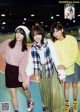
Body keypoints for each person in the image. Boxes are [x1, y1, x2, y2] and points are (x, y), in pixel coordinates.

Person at [25, 23, 67, 112]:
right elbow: (31, 63)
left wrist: (62, 74)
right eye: (34, 35)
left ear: (42, 34)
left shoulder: (49, 42)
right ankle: (47, 104)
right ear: (32, 36)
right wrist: (27, 77)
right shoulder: (32, 48)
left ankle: (56, 109)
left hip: (52, 69)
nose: (37, 37)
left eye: (38, 34)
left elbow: (55, 58)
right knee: (45, 90)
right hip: (42, 71)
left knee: (54, 91)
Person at [0, 25, 34, 112]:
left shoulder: (25, 49)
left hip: (20, 71)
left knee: (25, 90)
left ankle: (29, 100)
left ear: (25, 36)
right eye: (17, 32)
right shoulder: (8, 42)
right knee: (13, 94)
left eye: (21, 33)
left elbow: (23, 65)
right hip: (9, 71)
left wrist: (23, 78)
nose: (18, 35)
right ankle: (16, 110)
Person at [50, 22, 79, 112]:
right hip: (64, 68)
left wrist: (65, 65)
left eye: (57, 30)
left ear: (62, 30)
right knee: (66, 86)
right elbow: (57, 59)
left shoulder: (71, 39)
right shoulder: (55, 44)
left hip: (75, 65)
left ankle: (75, 102)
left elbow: (75, 55)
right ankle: (66, 104)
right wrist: (61, 73)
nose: (56, 33)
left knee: (74, 85)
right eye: (54, 32)